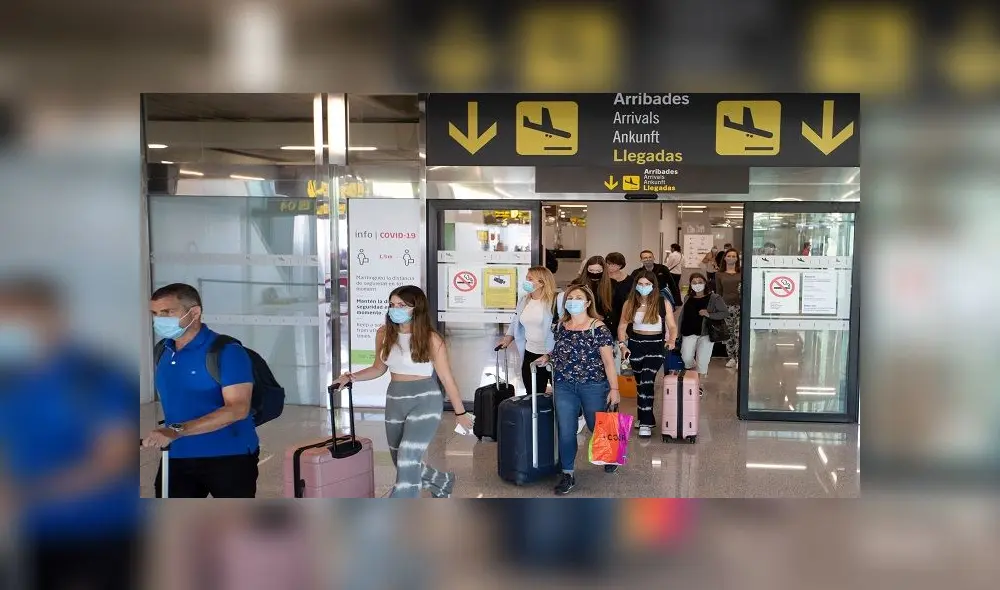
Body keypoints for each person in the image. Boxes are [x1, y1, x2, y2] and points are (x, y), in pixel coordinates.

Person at [0, 275, 139, 590]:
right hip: (37, 532)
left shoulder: (95, 376)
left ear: (52, 319)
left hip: (104, 529)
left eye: (13, 320)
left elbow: (113, 460)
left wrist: (27, 495)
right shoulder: (11, 380)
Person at [335, 285, 473, 498]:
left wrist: (460, 413)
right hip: (395, 399)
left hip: (425, 400)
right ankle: (442, 481)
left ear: (416, 308)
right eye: (391, 304)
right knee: (400, 460)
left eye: (401, 305)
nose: (394, 309)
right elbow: (378, 368)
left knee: (407, 456)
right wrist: (352, 377)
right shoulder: (384, 334)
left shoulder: (431, 339)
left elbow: (446, 378)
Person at [143, 283, 259, 498]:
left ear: (194, 312)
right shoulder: (163, 351)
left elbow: (238, 409)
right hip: (177, 454)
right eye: (155, 313)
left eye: (167, 312)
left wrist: (177, 430)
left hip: (228, 457)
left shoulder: (227, 352)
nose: (159, 320)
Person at [533, 285, 619, 495]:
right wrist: (548, 357)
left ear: (588, 302)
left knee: (595, 425)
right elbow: (560, 350)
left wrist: (614, 388)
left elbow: (608, 362)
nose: (573, 301)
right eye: (570, 298)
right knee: (566, 430)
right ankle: (567, 473)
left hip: (593, 385)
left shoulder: (598, 328)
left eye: (579, 298)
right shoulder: (560, 326)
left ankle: (611, 454)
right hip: (564, 385)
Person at [616, 270, 677, 438]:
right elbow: (622, 327)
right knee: (640, 383)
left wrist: (671, 340)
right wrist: (622, 345)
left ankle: (645, 423)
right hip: (635, 344)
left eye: (647, 284)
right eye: (640, 284)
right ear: (636, 286)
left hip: (656, 345)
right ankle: (645, 416)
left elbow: (672, 326)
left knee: (646, 381)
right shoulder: (630, 303)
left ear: (653, 286)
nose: (643, 287)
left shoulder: (662, 303)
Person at [498, 266, 557, 394]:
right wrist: (508, 338)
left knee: (560, 396)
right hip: (530, 353)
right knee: (533, 395)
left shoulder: (555, 302)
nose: (526, 281)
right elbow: (516, 322)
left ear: (542, 283)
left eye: (530, 278)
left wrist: (550, 354)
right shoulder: (524, 300)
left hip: (553, 355)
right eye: (526, 278)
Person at [677, 273, 730, 393]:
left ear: (705, 283)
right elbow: (683, 315)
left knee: (703, 361)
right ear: (690, 285)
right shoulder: (687, 297)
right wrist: (678, 332)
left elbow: (725, 313)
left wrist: (709, 314)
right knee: (686, 357)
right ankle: (692, 371)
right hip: (688, 331)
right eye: (694, 282)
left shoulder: (714, 298)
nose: (697, 285)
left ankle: (696, 385)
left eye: (700, 282)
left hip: (705, 333)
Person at [715, 249, 743, 369]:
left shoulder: (742, 273)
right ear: (725, 258)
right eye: (729, 256)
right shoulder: (719, 274)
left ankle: (739, 358)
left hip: (740, 306)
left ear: (737, 259)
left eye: (734, 256)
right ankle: (732, 357)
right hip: (726, 307)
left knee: (738, 333)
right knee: (729, 334)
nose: (731, 258)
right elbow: (718, 292)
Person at [605, 252, 632, 347]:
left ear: (620, 265)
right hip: (606, 315)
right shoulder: (603, 279)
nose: (610, 267)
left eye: (613, 264)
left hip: (623, 314)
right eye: (608, 263)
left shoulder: (629, 280)